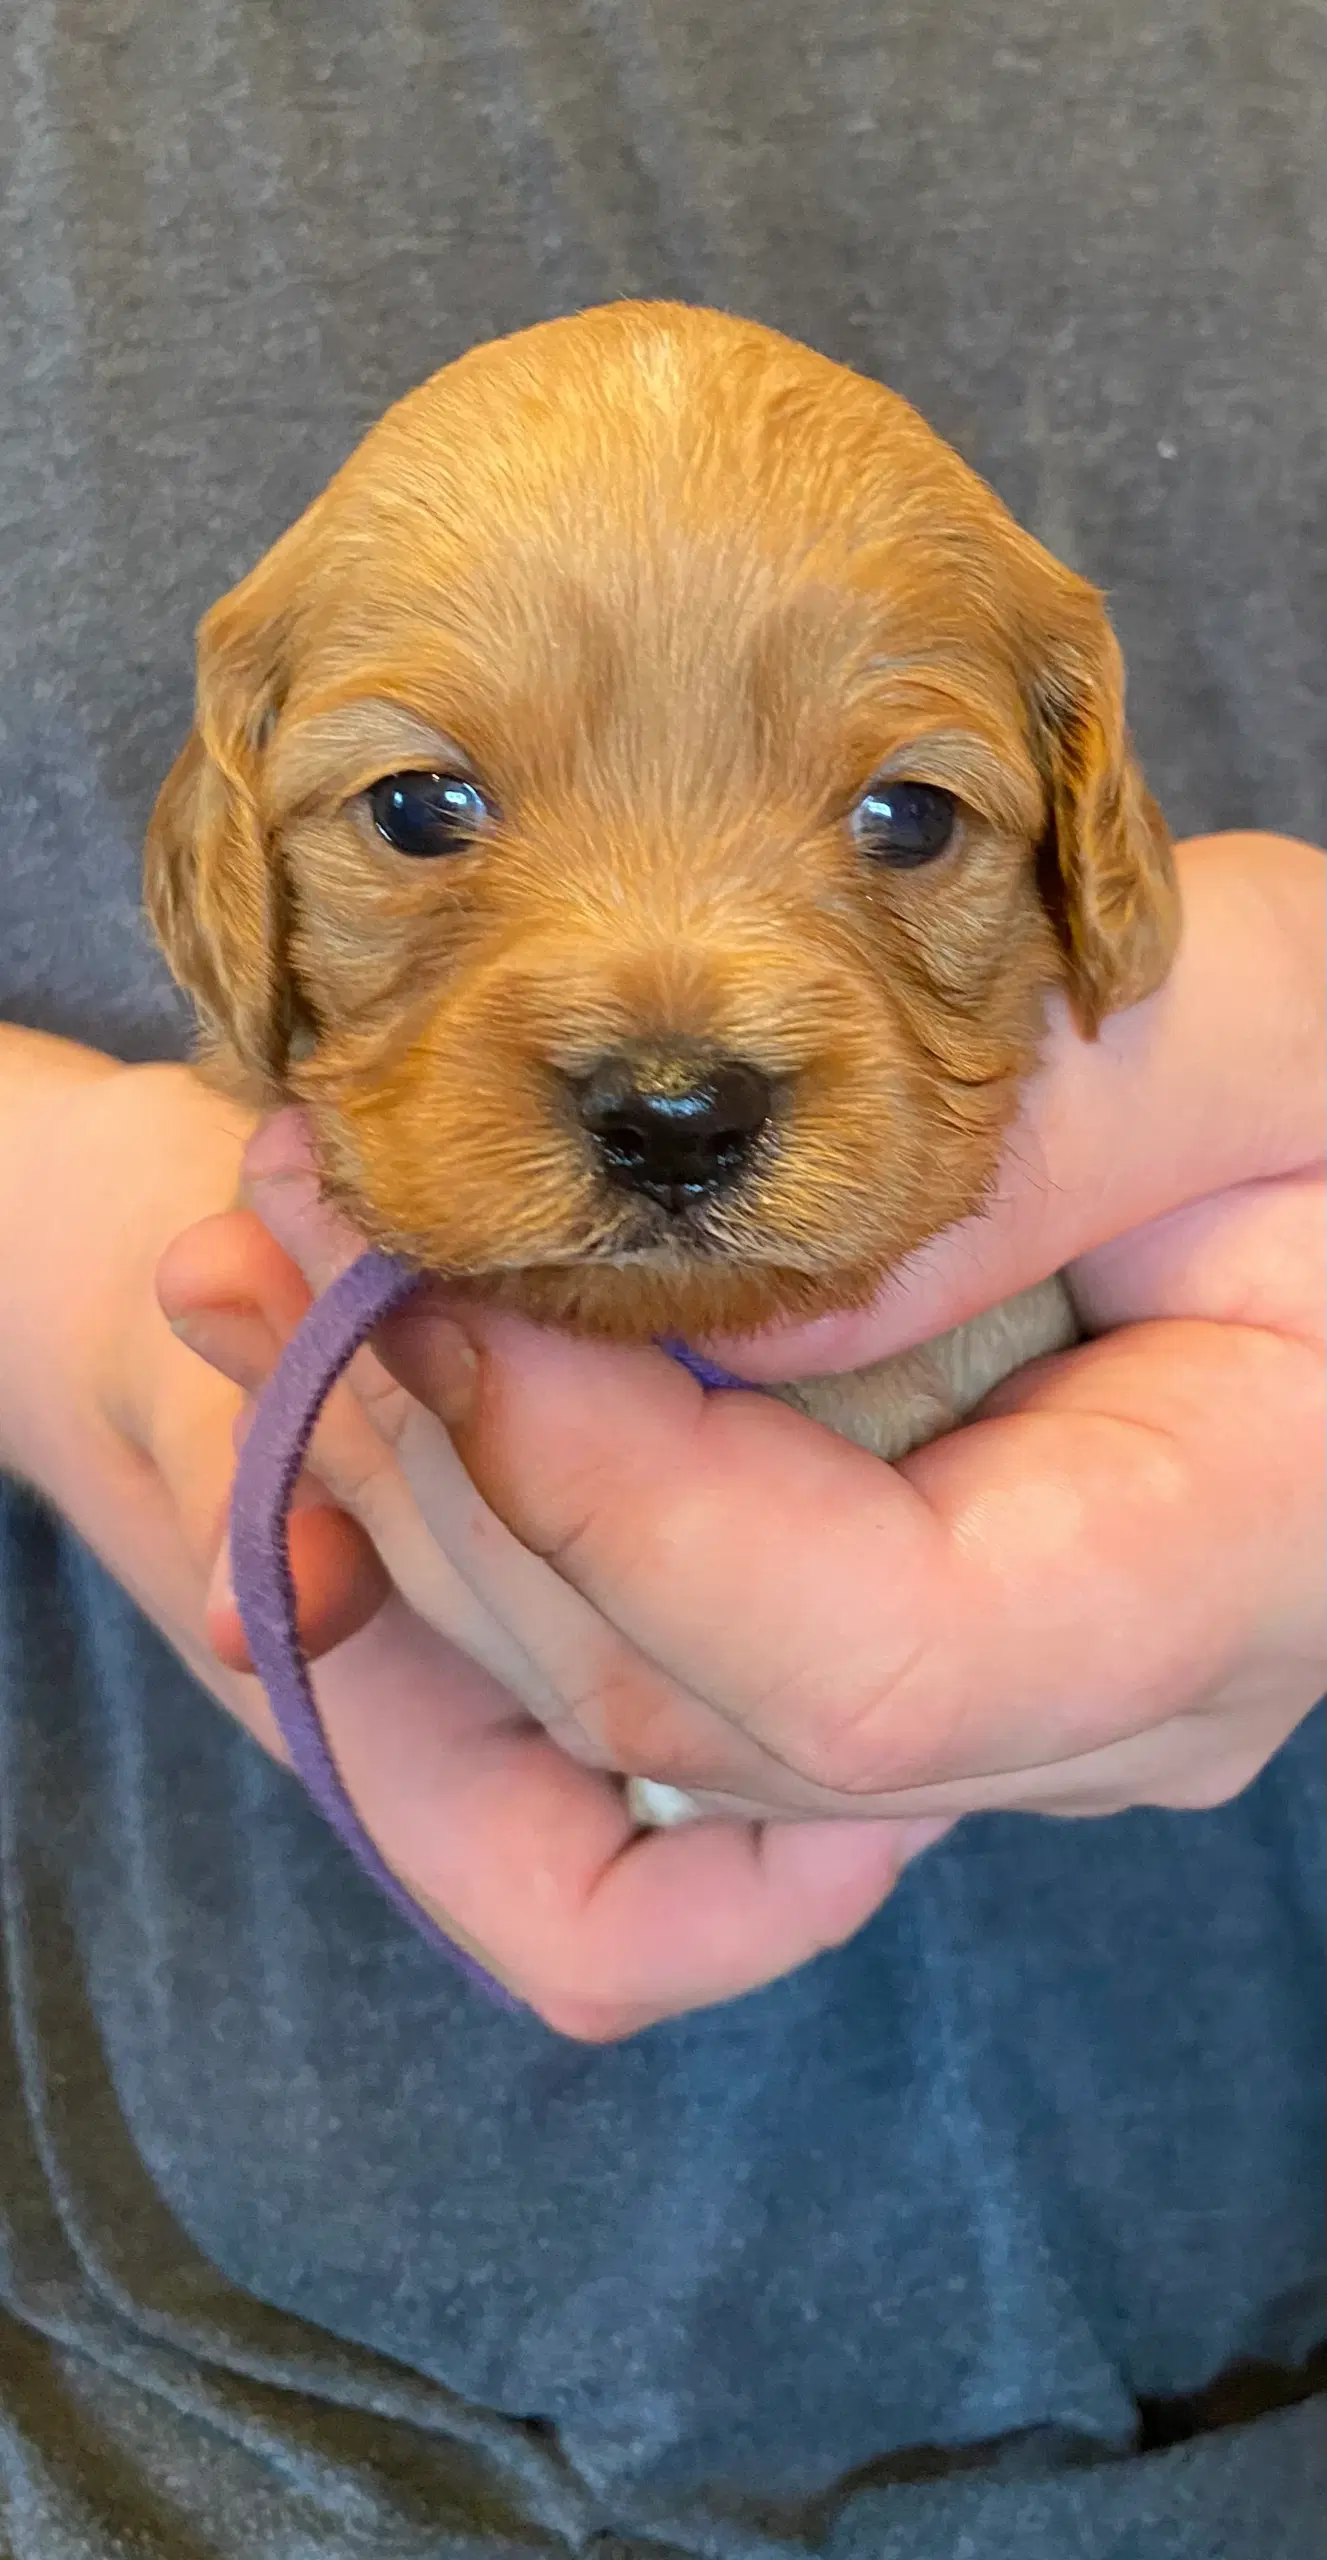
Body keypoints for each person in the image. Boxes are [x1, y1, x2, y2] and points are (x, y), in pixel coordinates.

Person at [0, 5, 1322, 2554]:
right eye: (426, 808)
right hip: (203, 2386)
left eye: (902, 810)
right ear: (240, 833)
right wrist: (66, 1274)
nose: (672, 1044)